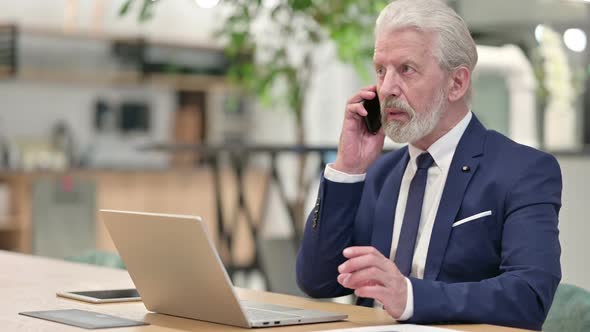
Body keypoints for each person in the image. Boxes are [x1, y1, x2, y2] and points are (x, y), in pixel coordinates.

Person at [295, 0, 562, 330]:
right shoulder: (380, 174)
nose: (387, 88)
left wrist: (410, 297)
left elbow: (529, 296)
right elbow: (317, 281)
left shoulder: (523, 171)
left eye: (406, 69)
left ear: (456, 83)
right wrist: (349, 169)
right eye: (381, 70)